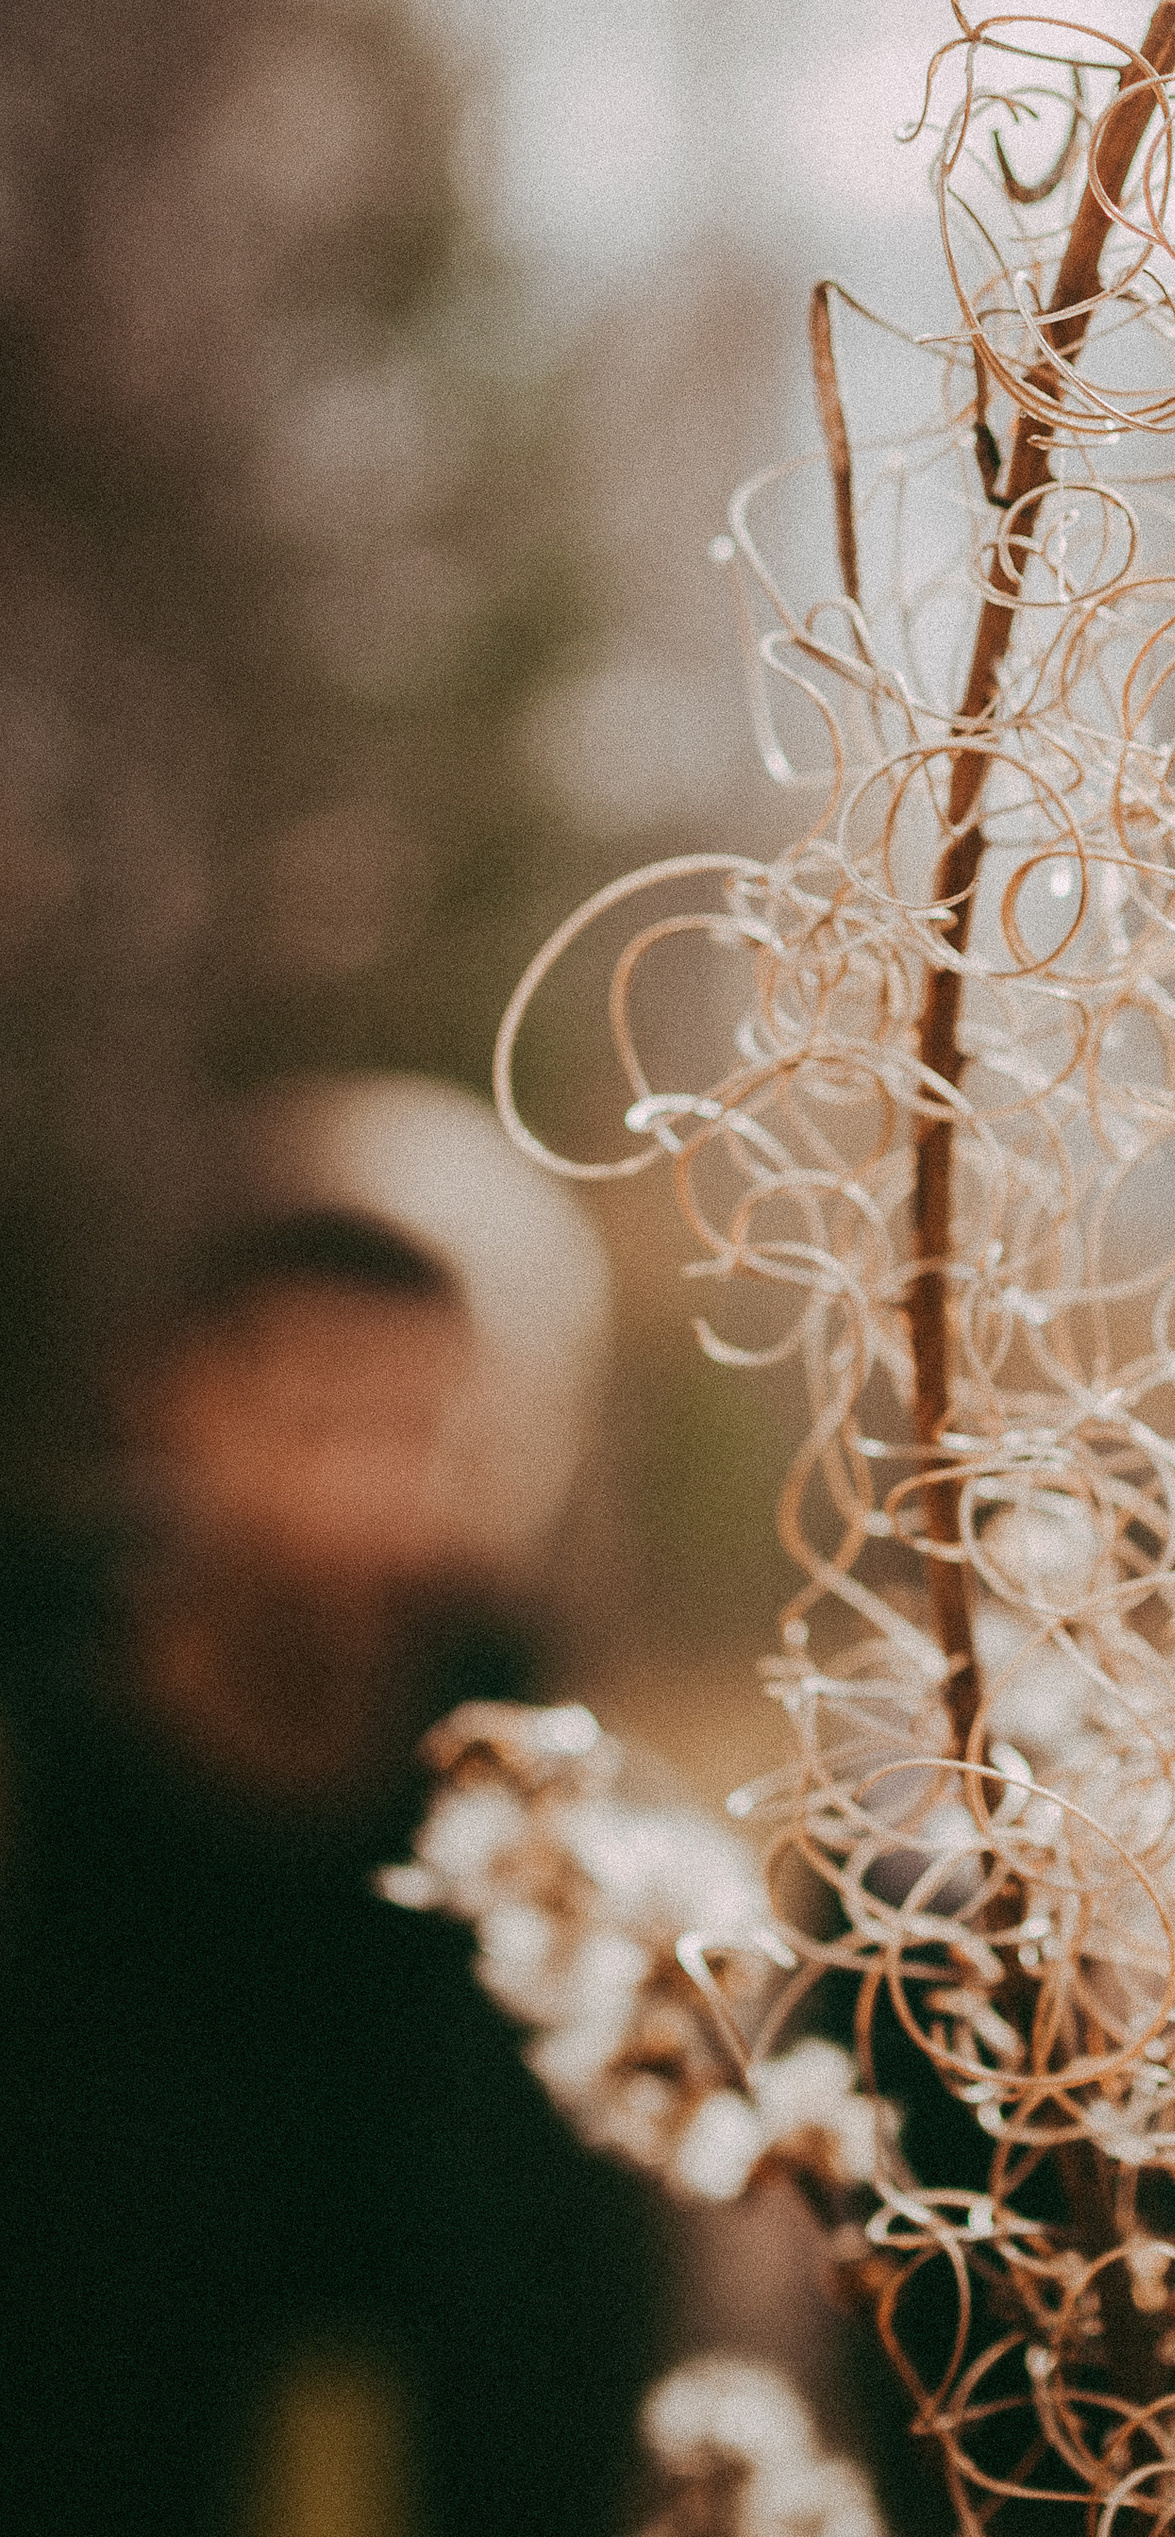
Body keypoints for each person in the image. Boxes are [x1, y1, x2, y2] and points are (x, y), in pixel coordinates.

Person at [0, 1075, 668, 2536]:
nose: (360, 1483)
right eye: (309, 1408)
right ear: (170, 1394)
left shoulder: (527, 1759)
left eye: (422, 1425)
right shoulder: (37, 1731)